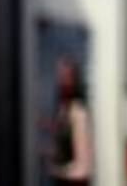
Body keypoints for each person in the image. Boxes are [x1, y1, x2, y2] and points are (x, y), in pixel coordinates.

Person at [43, 56, 92, 186]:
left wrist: (55, 171)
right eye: (59, 76)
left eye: (66, 77)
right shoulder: (63, 109)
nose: (62, 82)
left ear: (75, 81)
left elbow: (83, 170)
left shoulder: (78, 112)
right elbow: (65, 140)